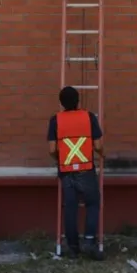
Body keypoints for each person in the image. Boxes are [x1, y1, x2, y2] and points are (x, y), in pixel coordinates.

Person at [47, 86, 105, 260]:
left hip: (66, 172)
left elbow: (51, 149)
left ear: (61, 103)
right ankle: (89, 241)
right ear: (78, 100)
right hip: (86, 170)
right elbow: (98, 146)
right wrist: (103, 155)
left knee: (70, 208)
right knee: (93, 204)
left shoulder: (55, 120)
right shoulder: (89, 117)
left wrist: (60, 159)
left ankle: (73, 248)